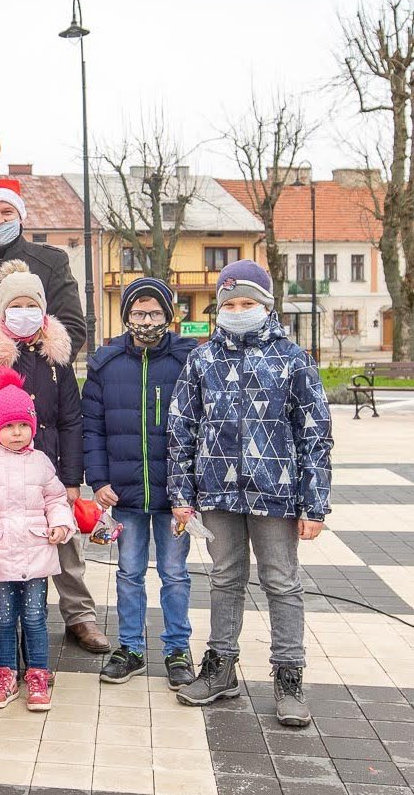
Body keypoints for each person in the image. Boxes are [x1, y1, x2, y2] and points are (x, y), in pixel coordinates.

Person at [169, 260, 332, 728]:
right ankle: (220, 668)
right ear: (218, 308)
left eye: (248, 303)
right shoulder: (201, 360)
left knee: (281, 581)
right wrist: (182, 493)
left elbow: (314, 435)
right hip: (217, 493)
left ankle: (288, 677)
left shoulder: (293, 359)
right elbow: (182, 430)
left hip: (276, 494)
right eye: (230, 304)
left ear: (267, 305)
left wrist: (314, 503)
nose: (239, 311)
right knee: (224, 578)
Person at [0, 260, 109, 654]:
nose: (23, 313)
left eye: (31, 305)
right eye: (15, 306)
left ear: (42, 309)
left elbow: (72, 420)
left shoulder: (55, 360)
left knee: (65, 544)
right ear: (3, 310)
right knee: (4, 542)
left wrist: (72, 479)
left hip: (50, 467)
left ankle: (79, 615)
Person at [82, 278, 198, 688]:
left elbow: (203, 425)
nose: (146, 321)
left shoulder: (190, 360)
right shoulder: (106, 363)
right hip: (125, 492)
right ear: (126, 316)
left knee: (175, 573)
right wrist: (97, 478)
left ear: (169, 315)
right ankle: (129, 647)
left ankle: (177, 649)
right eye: (137, 313)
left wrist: (193, 486)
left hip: (175, 493)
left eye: (154, 313)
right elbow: (92, 427)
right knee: (129, 572)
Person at [0, 369, 76, 711]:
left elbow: (56, 499)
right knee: (1, 617)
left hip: (35, 551)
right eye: (9, 426)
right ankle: (5, 673)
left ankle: (38, 673)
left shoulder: (40, 461)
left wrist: (60, 524)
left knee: (34, 617)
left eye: (24, 425)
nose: (17, 433)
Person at [0, 179, 86, 371]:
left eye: (7, 212)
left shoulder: (50, 261)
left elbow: (72, 327)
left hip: (33, 381)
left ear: (20, 217)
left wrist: (38, 371)